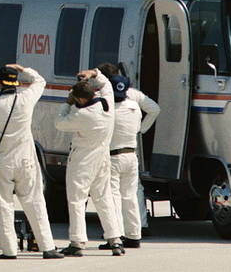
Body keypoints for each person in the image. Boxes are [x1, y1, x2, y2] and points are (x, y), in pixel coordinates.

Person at [0, 64, 64, 259]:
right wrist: (24, 69)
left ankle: (9, 250)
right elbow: (40, 81)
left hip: (3, 160)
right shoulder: (26, 99)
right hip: (26, 159)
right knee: (35, 202)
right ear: (17, 82)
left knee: (4, 205)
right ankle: (47, 246)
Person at [54, 69, 124, 256]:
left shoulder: (81, 115)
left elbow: (59, 123)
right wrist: (94, 74)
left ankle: (77, 242)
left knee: (77, 200)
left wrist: (67, 104)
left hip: (83, 160)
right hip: (103, 157)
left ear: (81, 99)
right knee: (104, 198)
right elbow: (107, 85)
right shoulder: (107, 103)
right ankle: (115, 239)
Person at [97, 62, 160, 235]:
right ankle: (139, 228)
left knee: (113, 194)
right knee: (133, 192)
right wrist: (140, 128)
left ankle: (115, 233)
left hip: (111, 153)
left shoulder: (101, 95)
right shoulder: (132, 94)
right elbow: (154, 109)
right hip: (131, 151)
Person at [99, 75, 144, 250]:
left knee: (114, 197)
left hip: (113, 156)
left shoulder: (108, 110)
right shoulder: (134, 107)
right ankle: (134, 235)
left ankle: (116, 237)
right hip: (131, 155)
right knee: (130, 196)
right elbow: (138, 128)